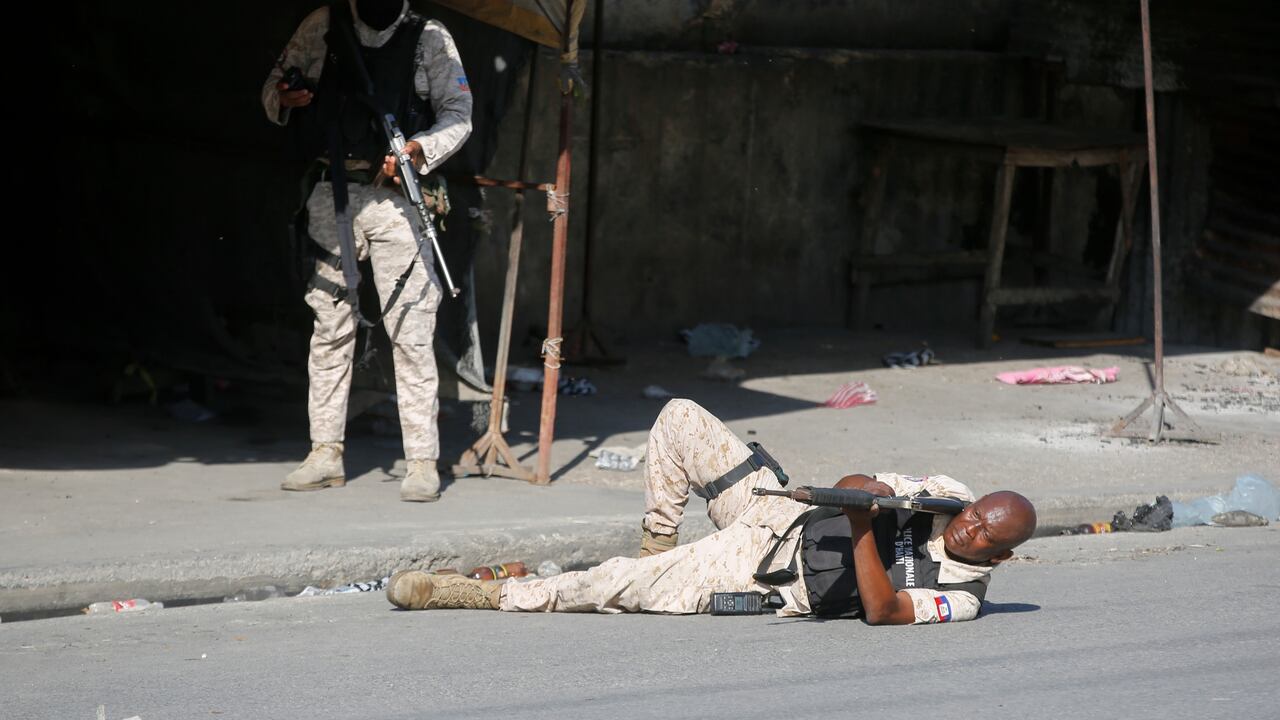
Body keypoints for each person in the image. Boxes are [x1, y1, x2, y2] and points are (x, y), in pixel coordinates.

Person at [385, 400, 1038, 623]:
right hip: (775, 511)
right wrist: (863, 494)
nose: (969, 524)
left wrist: (865, 524)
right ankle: (658, 547)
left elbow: (883, 610)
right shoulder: (947, 492)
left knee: (611, 584)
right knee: (680, 419)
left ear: (1002, 555)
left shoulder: (961, 596)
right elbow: (853, 483)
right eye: (977, 512)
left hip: (761, 571)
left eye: (985, 532)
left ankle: (473, 595)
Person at [261, 0, 472, 502]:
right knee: (329, 329)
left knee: (411, 331)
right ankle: (325, 453)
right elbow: (272, 91)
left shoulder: (429, 37)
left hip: (396, 200)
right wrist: (286, 97)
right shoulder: (323, 25)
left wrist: (418, 151)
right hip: (333, 193)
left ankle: (421, 461)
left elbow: (458, 115)